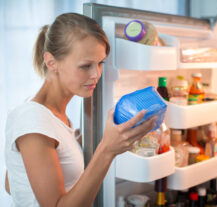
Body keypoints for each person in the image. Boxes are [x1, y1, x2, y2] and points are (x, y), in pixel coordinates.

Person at [4, 13, 156, 207]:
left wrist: (74, 143)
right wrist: (107, 150)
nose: (96, 74)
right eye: (85, 66)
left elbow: (12, 182)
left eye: (100, 63)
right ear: (51, 62)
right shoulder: (33, 120)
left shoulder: (52, 117)